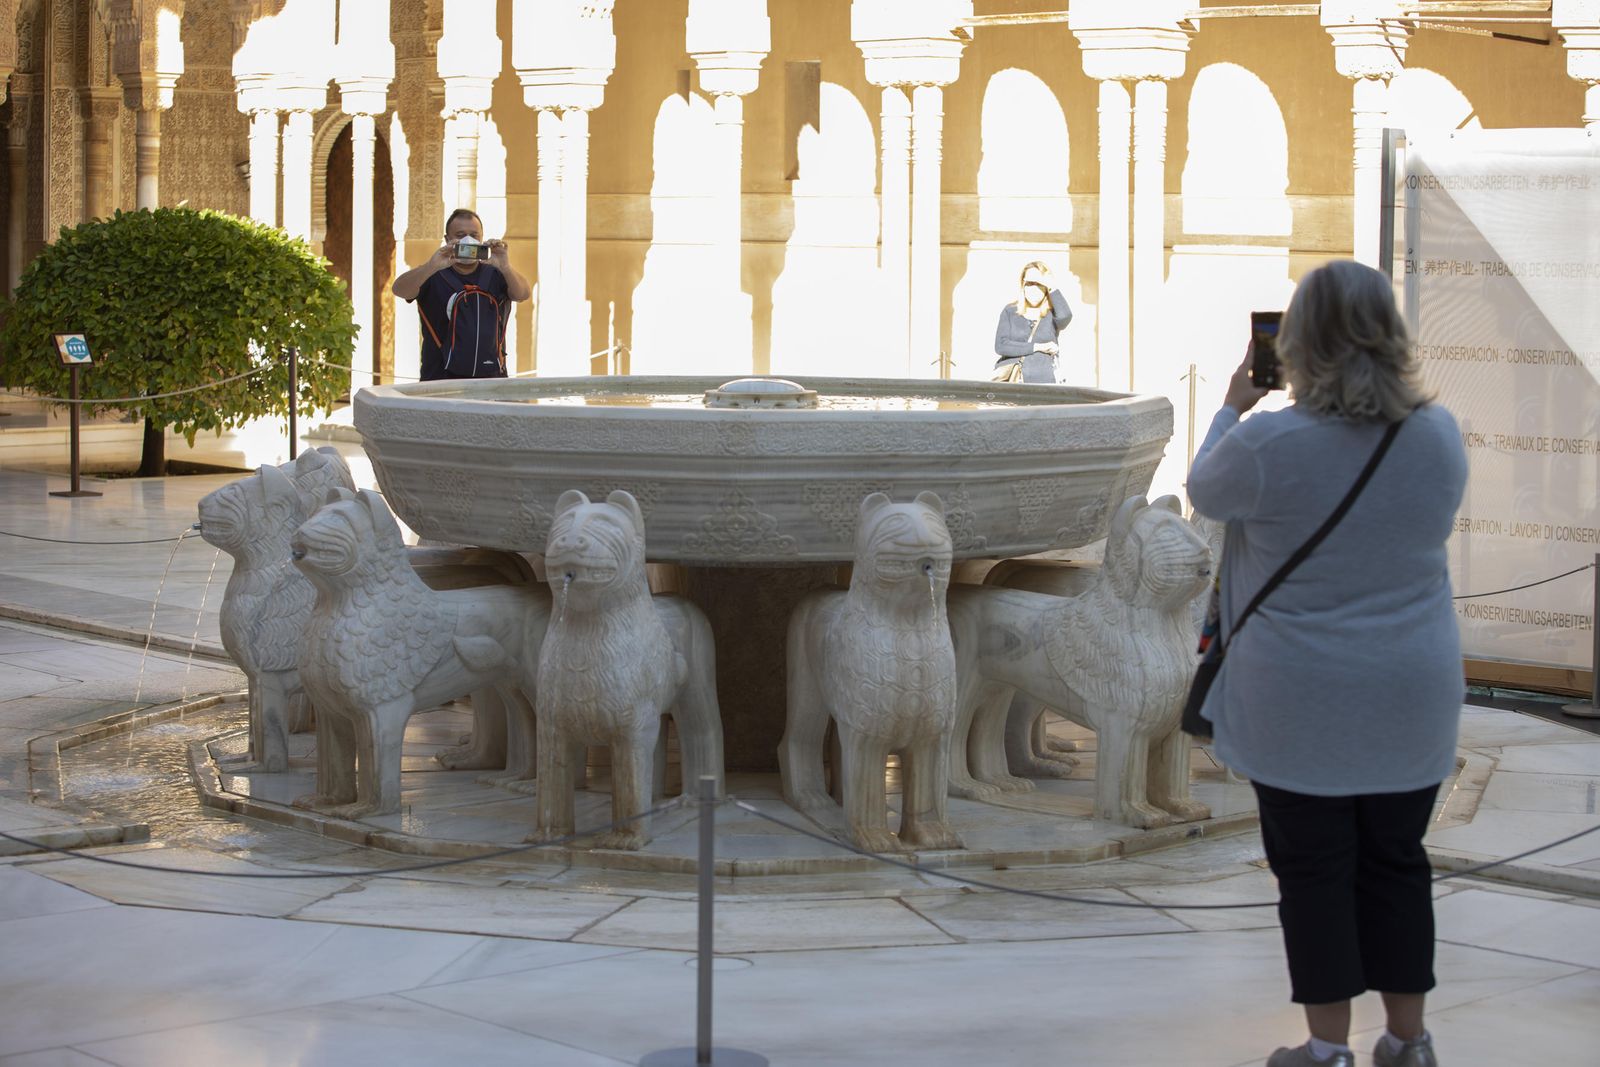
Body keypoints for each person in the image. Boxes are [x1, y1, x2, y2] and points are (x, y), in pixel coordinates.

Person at [1186, 260, 1467, 1067]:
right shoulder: (1438, 434)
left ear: (1300, 342)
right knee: (1398, 861)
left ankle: (1326, 1049)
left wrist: (1236, 405)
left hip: (1301, 694)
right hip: (1412, 686)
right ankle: (1410, 1041)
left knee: (1314, 873)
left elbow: (1207, 489)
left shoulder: (1271, 441)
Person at [391, 208, 533, 381]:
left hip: (490, 378)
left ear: (482, 238)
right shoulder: (433, 273)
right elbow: (399, 289)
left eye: (474, 235)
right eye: (460, 234)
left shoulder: (495, 273)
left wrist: (505, 266)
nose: (468, 240)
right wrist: (431, 266)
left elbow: (522, 294)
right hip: (440, 379)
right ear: (447, 239)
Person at [993, 261, 1072, 383]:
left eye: (1039, 283)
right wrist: (1037, 347)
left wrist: (1052, 286)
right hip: (1012, 381)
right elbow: (1001, 346)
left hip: (1044, 383)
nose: (1034, 289)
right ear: (1023, 285)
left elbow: (1065, 317)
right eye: (1029, 283)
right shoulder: (1010, 311)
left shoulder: (1052, 313)